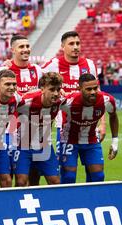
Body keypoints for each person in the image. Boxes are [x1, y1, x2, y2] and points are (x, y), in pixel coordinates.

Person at [42, 31, 104, 183]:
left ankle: (94, 201)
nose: (76, 47)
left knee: (97, 175)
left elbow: (98, 95)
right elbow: (38, 86)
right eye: (71, 44)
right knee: (68, 175)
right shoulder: (53, 65)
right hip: (65, 127)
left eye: (78, 43)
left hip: (89, 126)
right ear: (62, 46)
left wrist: (102, 124)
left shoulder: (89, 64)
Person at [0, 35, 43, 185]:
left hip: (33, 128)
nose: (26, 50)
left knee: (34, 173)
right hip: (11, 128)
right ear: (12, 50)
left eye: (27, 46)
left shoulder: (37, 70)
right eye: (21, 47)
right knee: (13, 175)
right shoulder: (2, 70)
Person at [59, 73, 119, 184]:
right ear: (79, 89)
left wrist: (115, 141)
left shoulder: (107, 100)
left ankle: (93, 200)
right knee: (69, 177)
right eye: (88, 89)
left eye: (95, 88)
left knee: (98, 176)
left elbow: (113, 115)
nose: (93, 92)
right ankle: (66, 200)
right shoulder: (68, 102)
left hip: (91, 139)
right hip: (69, 140)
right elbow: (49, 111)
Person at [13, 72, 63, 187]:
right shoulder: (26, 102)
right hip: (23, 145)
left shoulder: (61, 101)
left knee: (55, 181)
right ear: (42, 88)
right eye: (51, 89)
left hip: (44, 145)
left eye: (58, 89)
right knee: (21, 182)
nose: (56, 93)